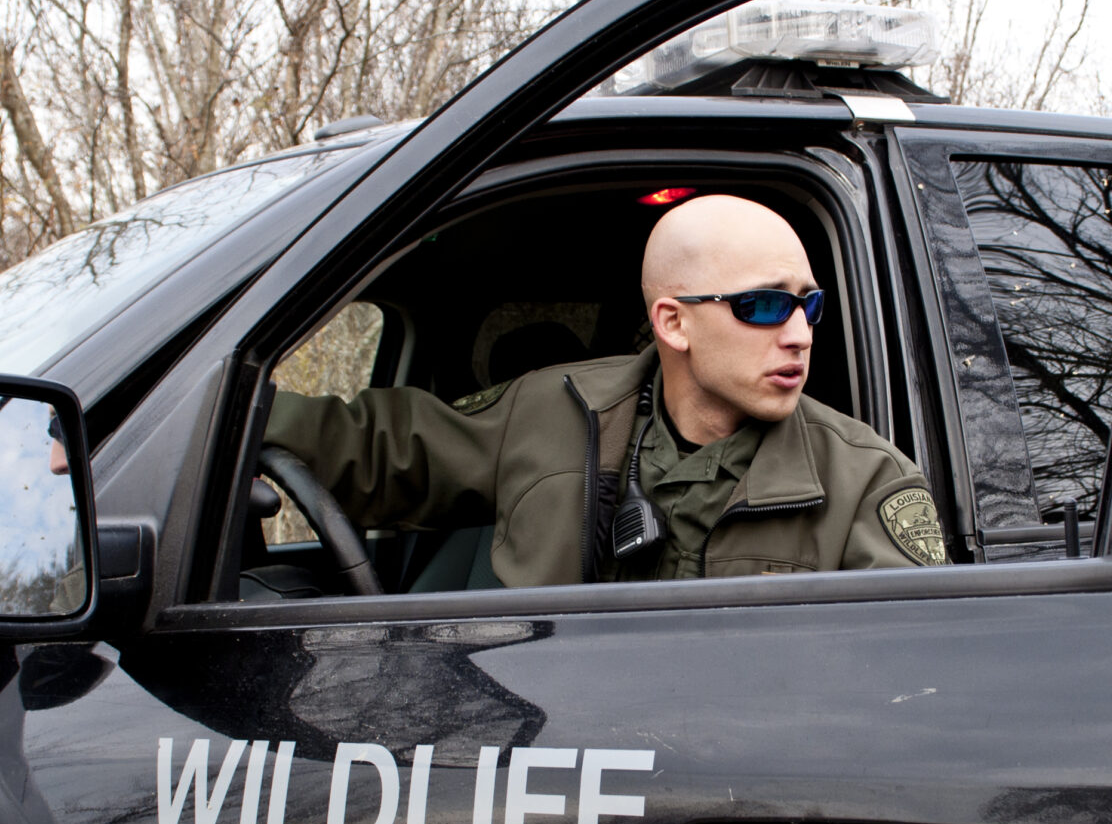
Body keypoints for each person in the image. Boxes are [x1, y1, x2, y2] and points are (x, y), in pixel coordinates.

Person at [262, 193, 948, 588]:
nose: (799, 334)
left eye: (809, 305)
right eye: (765, 306)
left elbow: (900, 696)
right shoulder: (550, 412)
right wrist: (219, 418)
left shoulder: (865, 482)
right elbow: (378, 450)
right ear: (672, 323)